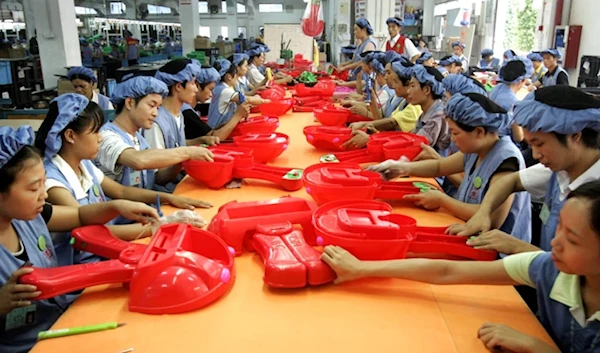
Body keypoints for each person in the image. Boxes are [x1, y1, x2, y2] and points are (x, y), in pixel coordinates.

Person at [322, 180, 600, 353]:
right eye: (559, 227)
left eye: (572, 239)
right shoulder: (547, 268)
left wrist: (536, 347)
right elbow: (447, 271)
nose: (554, 242)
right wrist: (362, 268)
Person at [0, 125, 160, 353]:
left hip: (62, 322)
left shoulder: (30, 216)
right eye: (33, 188)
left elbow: (79, 215)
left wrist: (116, 206)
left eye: (43, 184)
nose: (44, 195)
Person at [35, 93, 209, 257]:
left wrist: (168, 198)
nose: (100, 138)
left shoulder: (84, 164)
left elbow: (121, 191)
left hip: (107, 248)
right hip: (85, 263)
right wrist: (160, 225)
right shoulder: (53, 181)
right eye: (95, 132)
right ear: (71, 136)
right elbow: (90, 231)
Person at [449, 86, 600, 256]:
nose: (535, 154)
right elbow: (510, 181)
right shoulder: (560, 170)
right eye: (531, 145)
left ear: (575, 135)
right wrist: (483, 212)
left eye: (540, 144)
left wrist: (517, 247)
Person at [369, 93, 531, 247]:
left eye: (455, 133)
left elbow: (491, 217)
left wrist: (442, 200)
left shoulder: (505, 160)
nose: (452, 139)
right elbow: (440, 166)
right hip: (467, 233)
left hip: (496, 252)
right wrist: (401, 167)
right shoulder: (477, 149)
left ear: (479, 132)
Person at [95, 75, 214, 192]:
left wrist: (179, 164)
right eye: (151, 106)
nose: (155, 113)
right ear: (130, 103)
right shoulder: (106, 136)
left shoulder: (139, 139)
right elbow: (138, 160)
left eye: (158, 108)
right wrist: (187, 152)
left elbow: (158, 178)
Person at [344, 60, 423, 149]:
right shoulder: (400, 101)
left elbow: (391, 122)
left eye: (389, 73)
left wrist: (366, 126)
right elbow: (384, 124)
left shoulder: (415, 107)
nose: (386, 77)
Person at [182, 65, 250, 142]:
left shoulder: (189, 109)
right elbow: (215, 138)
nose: (211, 94)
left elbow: (208, 132)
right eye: (210, 89)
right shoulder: (186, 112)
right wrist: (237, 116)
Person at [489, 56, 534, 144]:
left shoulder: (496, 89)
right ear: (523, 80)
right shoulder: (514, 102)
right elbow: (519, 137)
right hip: (502, 143)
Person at [347, 52, 400, 120]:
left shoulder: (387, 92)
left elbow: (377, 113)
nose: (386, 77)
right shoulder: (388, 92)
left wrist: (353, 102)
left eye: (388, 73)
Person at [207, 58, 252, 132]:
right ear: (229, 77)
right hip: (217, 131)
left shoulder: (220, 87)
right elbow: (244, 98)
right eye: (236, 74)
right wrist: (264, 101)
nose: (237, 77)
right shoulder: (224, 90)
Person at [336, 18, 377, 85]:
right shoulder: (360, 44)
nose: (354, 32)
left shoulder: (369, 45)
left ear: (364, 30)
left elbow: (361, 62)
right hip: (355, 78)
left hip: (363, 80)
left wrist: (344, 68)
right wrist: (342, 64)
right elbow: (353, 60)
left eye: (356, 29)